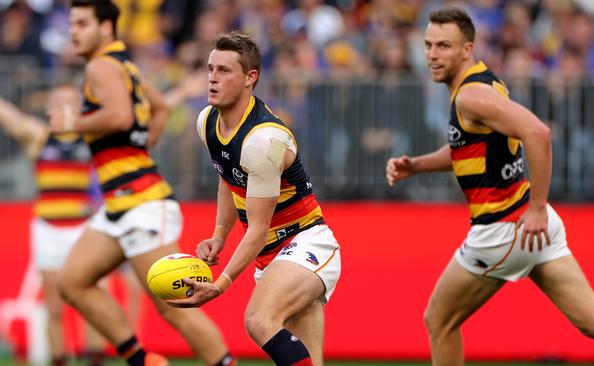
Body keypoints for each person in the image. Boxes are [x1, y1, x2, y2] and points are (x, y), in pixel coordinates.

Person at [385, 7, 594, 365]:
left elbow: (538, 133)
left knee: (439, 320)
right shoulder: (484, 81)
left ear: (467, 49)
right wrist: (416, 166)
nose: (432, 55)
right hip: (529, 223)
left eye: (444, 46)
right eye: (429, 45)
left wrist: (538, 207)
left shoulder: (470, 96)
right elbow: (468, 148)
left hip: (504, 229)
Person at [48, 1, 235, 365]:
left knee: (174, 307)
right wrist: (139, 149)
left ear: (106, 28)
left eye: (82, 23)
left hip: (143, 203)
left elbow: (118, 115)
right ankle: (142, 359)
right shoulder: (125, 66)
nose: (73, 32)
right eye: (72, 24)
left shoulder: (101, 65)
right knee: (72, 281)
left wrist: (71, 121)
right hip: (121, 203)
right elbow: (161, 107)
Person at [166, 32, 342, 366]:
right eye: (210, 68)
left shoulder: (264, 140)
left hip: (306, 242)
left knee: (259, 320)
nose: (212, 78)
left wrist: (219, 285)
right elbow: (228, 177)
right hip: (273, 254)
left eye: (224, 71)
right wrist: (219, 234)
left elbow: (258, 228)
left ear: (251, 78)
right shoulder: (207, 121)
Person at [0, 86, 109, 366]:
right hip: (48, 229)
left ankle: (94, 360)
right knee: (54, 306)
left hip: (82, 229)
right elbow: (11, 118)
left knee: (90, 301)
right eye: (55, 103)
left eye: (66, 103)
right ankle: (59, 360)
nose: (58, 108)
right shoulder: (40, 137)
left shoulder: (90, 139)